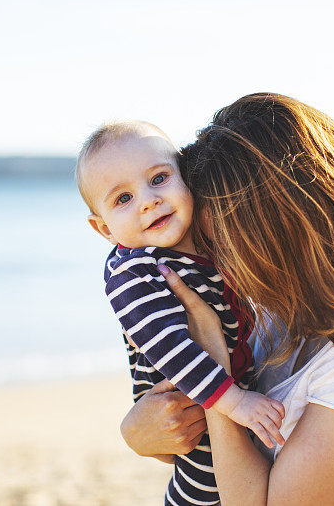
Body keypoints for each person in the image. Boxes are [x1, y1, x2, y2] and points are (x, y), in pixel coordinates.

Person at [120, 93, 334, 505]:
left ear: (284, 222)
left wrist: (214, 374)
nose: (221, 263)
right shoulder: (280, 308)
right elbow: (221, 443)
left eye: (229, 244)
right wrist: (141, 434)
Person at [75, 120, 285, 506]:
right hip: (193, 412)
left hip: (227, 399)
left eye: (159, 178)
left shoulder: (207, 245)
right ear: (103, 228)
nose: (148, 200)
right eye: (123, 199)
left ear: (186, 178)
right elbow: (171, 347)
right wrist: (234, 401)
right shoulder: (134, 271)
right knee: (205, 490)